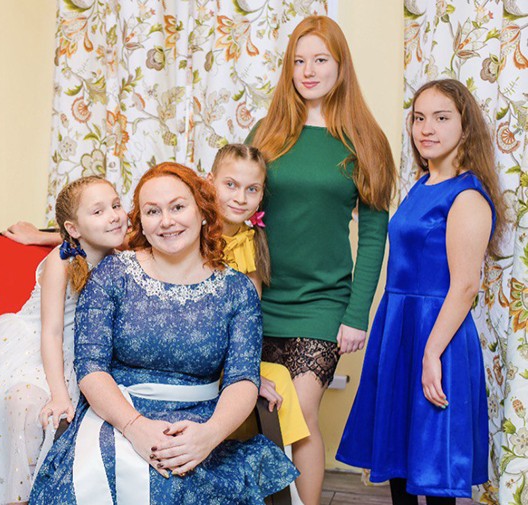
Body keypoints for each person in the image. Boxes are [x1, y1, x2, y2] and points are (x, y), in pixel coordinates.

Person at [29, 162, 298, 505]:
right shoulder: (112, 275)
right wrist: (135, 427)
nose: (166, 221)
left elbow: (243, 378)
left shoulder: (237, 290)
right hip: (116, 418)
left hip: (200, 426)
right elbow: (91, 367)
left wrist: (210, 435)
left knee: (184, 483)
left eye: (178, 207)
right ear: (141, 221)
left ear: (202, 211)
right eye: (153, 211)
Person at [246, 15, 396, 503]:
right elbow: (234, 212)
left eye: (320, 60)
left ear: (341, 65)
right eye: (298, 61)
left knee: (299, 414)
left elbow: (373, 236)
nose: (308, 71)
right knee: (258, 418)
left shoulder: (366, 141)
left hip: (323, 304)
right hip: (259, 298)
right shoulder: (265, 133)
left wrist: (356, 314)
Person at [336, 79, 503, 503]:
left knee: (433, 467)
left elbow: (465, 287)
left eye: (441, 118)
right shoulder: (420, 185)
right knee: (398, 459)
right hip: (399, 330)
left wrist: (431, 354)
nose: (426, 128)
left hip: (438, 336)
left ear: (465, 127)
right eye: (419, 118)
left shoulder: (467, 196)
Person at [0, 176, 128, 505]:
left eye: (116, 205)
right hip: (39, 347)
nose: (113, 216)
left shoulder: (121, 258)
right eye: (99, 211)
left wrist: (40, 234)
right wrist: (60, 393)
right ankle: (19, 497)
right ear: (73, 228)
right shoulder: (60, 261)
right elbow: (51, 331)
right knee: (27, 405)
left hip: (85, 353)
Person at [207, 143, 310, 447]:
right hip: (198, 359)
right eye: (230, 185)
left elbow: (248, 323)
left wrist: (247, 373)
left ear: (262, 193)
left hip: (231, 357)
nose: (241, 198)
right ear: (210, 181)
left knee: (279, 377)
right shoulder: (192, 236)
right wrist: (243, 377)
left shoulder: (250, 242)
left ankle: (280, 466)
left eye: (252, 189)